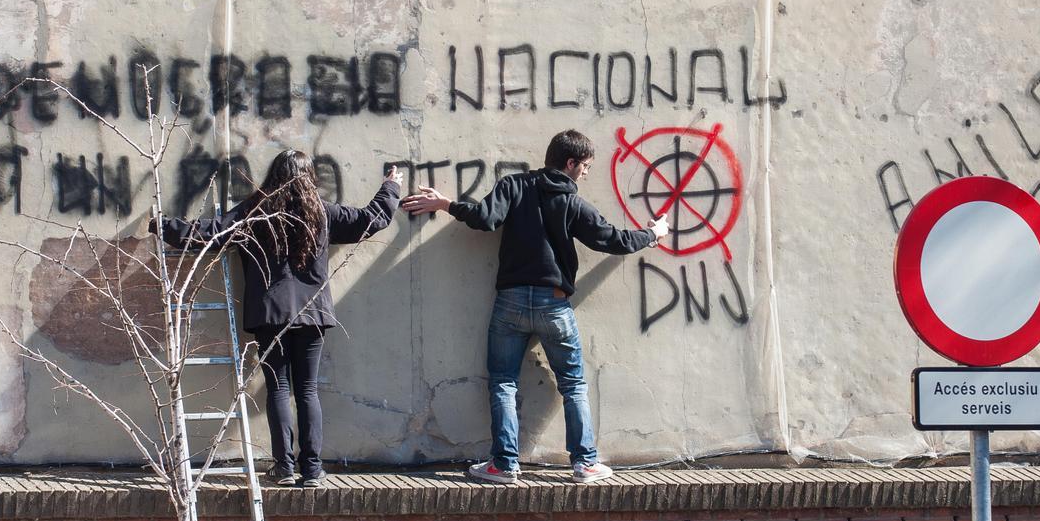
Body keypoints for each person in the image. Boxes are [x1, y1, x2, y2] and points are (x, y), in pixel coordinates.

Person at [401, 130, 668, 483]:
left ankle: (504, 465)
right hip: (554, 305)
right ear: (570, 163)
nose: (586, 173)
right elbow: (612, 240)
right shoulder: (573, 204)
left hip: (510, 302)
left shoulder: (515, 186)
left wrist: (445, 204)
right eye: (585, 166)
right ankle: (585, 463)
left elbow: (484, 218)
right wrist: (654, 234)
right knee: (572, 384)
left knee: (503, 383)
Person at [152, 150, 402, 487]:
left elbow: (208, 233)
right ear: (308, 177)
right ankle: (312, 470)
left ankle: (284, 468)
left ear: (273, 176)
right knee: (307, 391)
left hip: (270, 314)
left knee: (279, 389)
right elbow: (369, 220)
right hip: (312, 313)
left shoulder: (254, 212)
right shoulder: (321, 212)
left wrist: (161, 225)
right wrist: (390, 187)